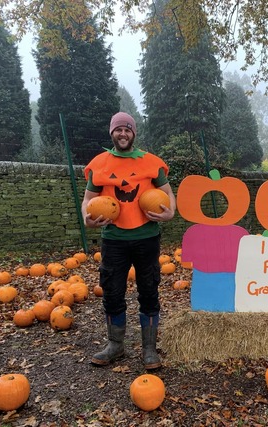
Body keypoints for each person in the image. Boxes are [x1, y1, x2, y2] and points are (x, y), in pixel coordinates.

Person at [81, 112, 175, 369]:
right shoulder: (99, 164)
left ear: (134, 133)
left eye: (128, 130)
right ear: (111, 132)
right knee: (112, 291)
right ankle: (116, 345)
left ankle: (149, 348)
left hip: (147, 237)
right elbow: (88, 200)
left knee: (148, 290)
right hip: (113, 239)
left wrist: (170, 212)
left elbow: (167, 193)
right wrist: (87, 219)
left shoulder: (150, 163)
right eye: (118, 129)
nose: (123, 134)